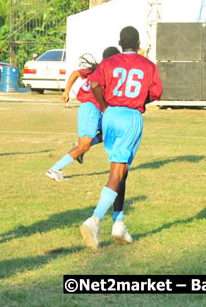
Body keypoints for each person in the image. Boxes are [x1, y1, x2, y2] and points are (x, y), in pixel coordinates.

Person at [79, 26, 162, 248]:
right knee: (118, 171)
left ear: (120, 42)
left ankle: (119, 223)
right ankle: (94, 221)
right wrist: (138, 102)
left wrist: (105, 107)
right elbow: (156, 93)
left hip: (110, 115)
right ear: (138, 42)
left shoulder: (109, 62)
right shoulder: (148, 65)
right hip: (130, 116)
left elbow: (95, 84)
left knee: (120, 169)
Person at [46, 46, 121, 180]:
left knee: (112, 132)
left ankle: (79, 148)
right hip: (90, 110)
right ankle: (54, 169)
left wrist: (66, 91)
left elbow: (75, 73)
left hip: (95, 110)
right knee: (83, 146)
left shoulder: (97, 69)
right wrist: (66, 92)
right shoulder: (107, 72)